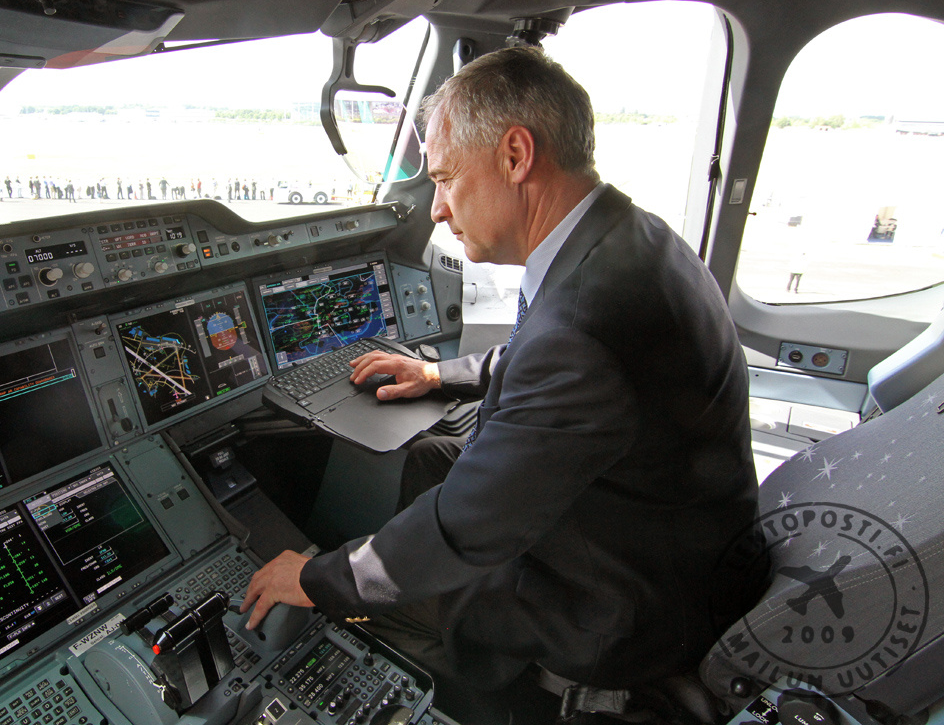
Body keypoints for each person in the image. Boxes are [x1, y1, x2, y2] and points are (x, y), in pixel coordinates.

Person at [242, 47, 762, 709]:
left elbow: (467, 526)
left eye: (445, 178)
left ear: (516, 156)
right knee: (427, 457)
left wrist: (318, 578)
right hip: (665, 538)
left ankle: (477, 696)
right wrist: (436, 372)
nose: (436, 208)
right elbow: (540, 353)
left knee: (378, 599)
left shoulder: (586, 323)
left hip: (619, 608)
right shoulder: (628, 239)